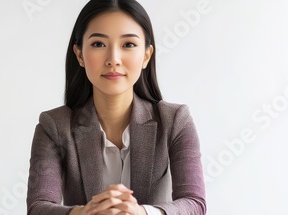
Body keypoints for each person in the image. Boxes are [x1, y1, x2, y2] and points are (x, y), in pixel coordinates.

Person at [26, 0, 206, 214]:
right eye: (98, 44)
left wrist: (143, 213)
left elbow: (195, 204)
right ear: (79, 54)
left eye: (128, 44)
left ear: (146, 55)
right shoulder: (54, 126)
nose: (113, 59)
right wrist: (85, 213)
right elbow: (38, 208)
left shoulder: (175, 120)